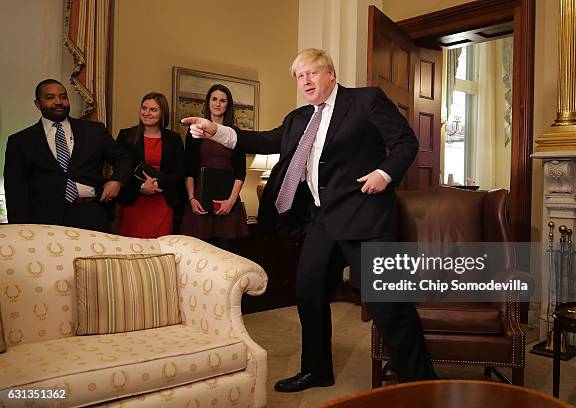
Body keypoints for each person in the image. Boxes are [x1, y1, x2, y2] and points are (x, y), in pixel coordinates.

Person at [182, 49, 436, 392]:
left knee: (388, 306)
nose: (305, 82)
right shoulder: (300, 118)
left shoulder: (366, 101)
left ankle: (420, 385)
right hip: (322, 220)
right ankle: (317, 370)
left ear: (330, 73)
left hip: (366, 217)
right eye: (300, 77)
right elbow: (264, 140)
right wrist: (216, 130)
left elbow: (406, 142)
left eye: (311, 74)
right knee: (309, 292)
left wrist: (384, 173)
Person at [4, 79, 131, 232]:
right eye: (50, 97)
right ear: (37, 104)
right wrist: (20, 229)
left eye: (63, 97)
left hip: (91, 216)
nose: (59, 102)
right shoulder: (20, 141)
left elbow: (124, 157)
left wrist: (117, 180)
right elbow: (15, 190)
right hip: (43, 222)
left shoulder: (94, 131)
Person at [180, 84, 249, 249]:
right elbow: (188, 170)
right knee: (199, 253)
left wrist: (231, 202)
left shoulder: (235, 134)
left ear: (228, 105)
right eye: (214, 99)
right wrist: (192, 199)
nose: (218, 104)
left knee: (227, 255)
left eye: (223, 100)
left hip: (228, 202)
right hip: (199, 200)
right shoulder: (195, 132)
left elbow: (240, 173)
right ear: (208, 102)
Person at [116, 92, 185, 238]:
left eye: (153, 110)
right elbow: (119, 170)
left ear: (162, 113)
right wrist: (141, 187)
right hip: (133, 202)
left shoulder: (174, 139)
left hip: (163, 202)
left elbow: (180, 173)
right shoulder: (126, 135)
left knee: (159, 251)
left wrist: (156, 184)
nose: (146, 113)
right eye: (144, 108)